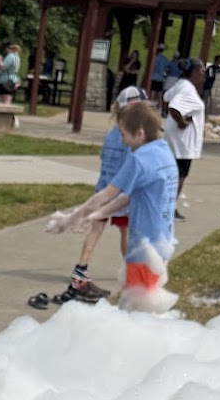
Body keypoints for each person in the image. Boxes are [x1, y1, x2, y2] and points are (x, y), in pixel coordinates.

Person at [48, 100, 179, 313]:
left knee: (137, 308)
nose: (121, 139)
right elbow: (128, 198)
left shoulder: (139, 159)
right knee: (146, 301)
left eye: (123, 133)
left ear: (139, 133)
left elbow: (107, 194)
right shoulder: (163, 152)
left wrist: (69, 220)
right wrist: (94, 216)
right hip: (162, 242)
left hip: (144, 248)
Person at [30, 85, 147, 309]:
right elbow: (133, 166)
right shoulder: (130, 137)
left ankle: (80, 271)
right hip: (119, 192)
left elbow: (104, 160)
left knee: (96, 230)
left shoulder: (112, 133)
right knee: (126, 231)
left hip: (103, 189)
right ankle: (130, 272)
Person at [163, 57, 206, 222]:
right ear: (194, 72)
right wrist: (181, 122)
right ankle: (169, 208)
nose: (204, 74)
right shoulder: (187, 89)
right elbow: (174, 107)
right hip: (182, 143)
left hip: (175, 139)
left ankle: (166, 206)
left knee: (173, 174)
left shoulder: (181, 84)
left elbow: (166, 97)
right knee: (179, 175)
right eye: (202, 70)